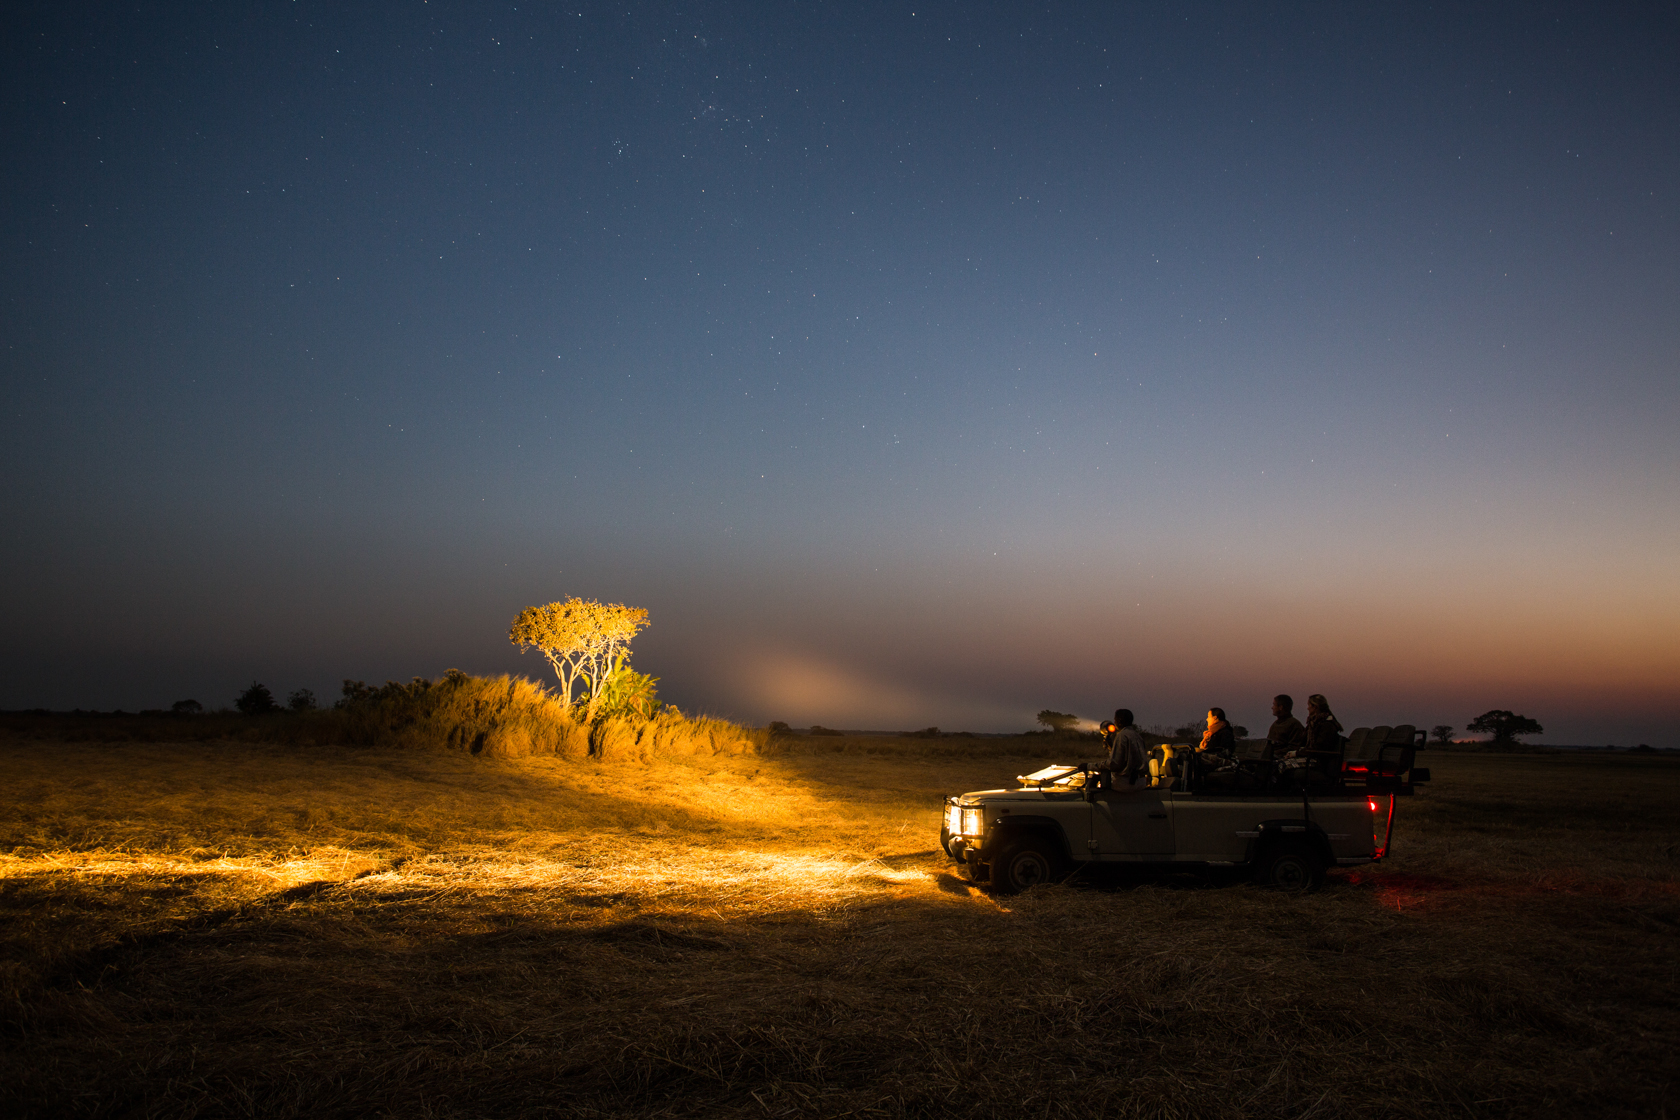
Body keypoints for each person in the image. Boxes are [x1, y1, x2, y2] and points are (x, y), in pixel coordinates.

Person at [1103, 708, 1147, 789]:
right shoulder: (1137, 736)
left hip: (1126, 784)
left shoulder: (1121, 736)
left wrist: (1089, 766)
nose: (1114, 722)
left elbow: (1115, 764)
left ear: (1119, 721)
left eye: (1115, 720)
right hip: (1140, 782)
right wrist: (1112, 748)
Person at [1266, 694, 1306, 760]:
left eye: (1274, 705)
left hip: (1282, 758)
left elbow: (1294, 747)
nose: (1272, 707)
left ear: (1280, 707)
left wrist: (1273, 753)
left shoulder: (1294, 724)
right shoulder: (1275, 724)